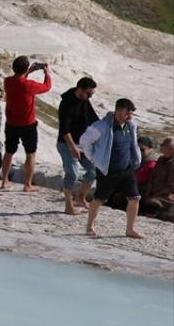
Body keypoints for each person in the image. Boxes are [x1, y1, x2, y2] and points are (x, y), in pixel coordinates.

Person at [81, 98, 144, 239]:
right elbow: (85, 141)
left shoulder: (131, 125)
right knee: (99, 199)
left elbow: (133, 145)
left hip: (127, 168)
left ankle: (130, 229)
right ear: (118, 111)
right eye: (127, 113)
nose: (130, 116)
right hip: (108, 170)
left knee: (135, 198)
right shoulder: (101, 126)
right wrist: (93, 159)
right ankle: (89, 225)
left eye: (131, 113)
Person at [0, 55, 52, 193]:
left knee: (9, 152)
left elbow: (19, 80)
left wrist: (28, 72)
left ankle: (4, 181)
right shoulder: (29, 85)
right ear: (25, 68)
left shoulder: (7, 81)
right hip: (28, 124)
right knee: (30, 154)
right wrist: (47, 73)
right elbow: (47, 87)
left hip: (11, 123)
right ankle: (27, 185)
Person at [56, 77, 100, 215]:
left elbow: (93, 119)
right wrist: (73, 147)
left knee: (93, 171)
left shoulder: (84, 100)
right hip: (66, 144)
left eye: (91, 94)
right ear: (80, 89)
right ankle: (68, 206)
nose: (90, 97)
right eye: (89, 93)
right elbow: (64, 130)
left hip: (82, 143)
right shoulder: (66, 103)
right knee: (72, 174)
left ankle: (80, 198)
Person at [139, 137, 174, 222]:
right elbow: (152, 177)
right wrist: (149, 191)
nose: (161, 147)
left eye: (163, 145)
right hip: (152, 192)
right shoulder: (161, 159)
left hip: (165, 196)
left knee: (150, 202)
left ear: (171, 149)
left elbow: (171, 186)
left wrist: (155, 195)